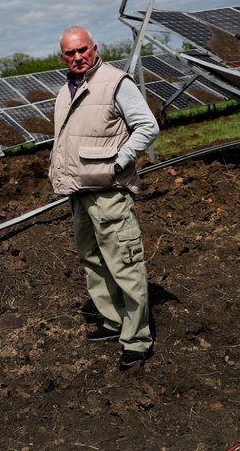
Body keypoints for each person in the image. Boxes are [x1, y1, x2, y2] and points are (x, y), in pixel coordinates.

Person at [49, 26, 159, 371]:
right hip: (79, 193)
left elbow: (147, 126)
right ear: (63, 57)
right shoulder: (66, 89)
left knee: (124, 264)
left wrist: (119, 162)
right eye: (70, 53)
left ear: (94, 48)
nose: (78, 57)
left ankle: (137, 338)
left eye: (83, 49)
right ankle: (113, 322)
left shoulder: (115, 82)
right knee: (94, 262)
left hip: (109, 193)